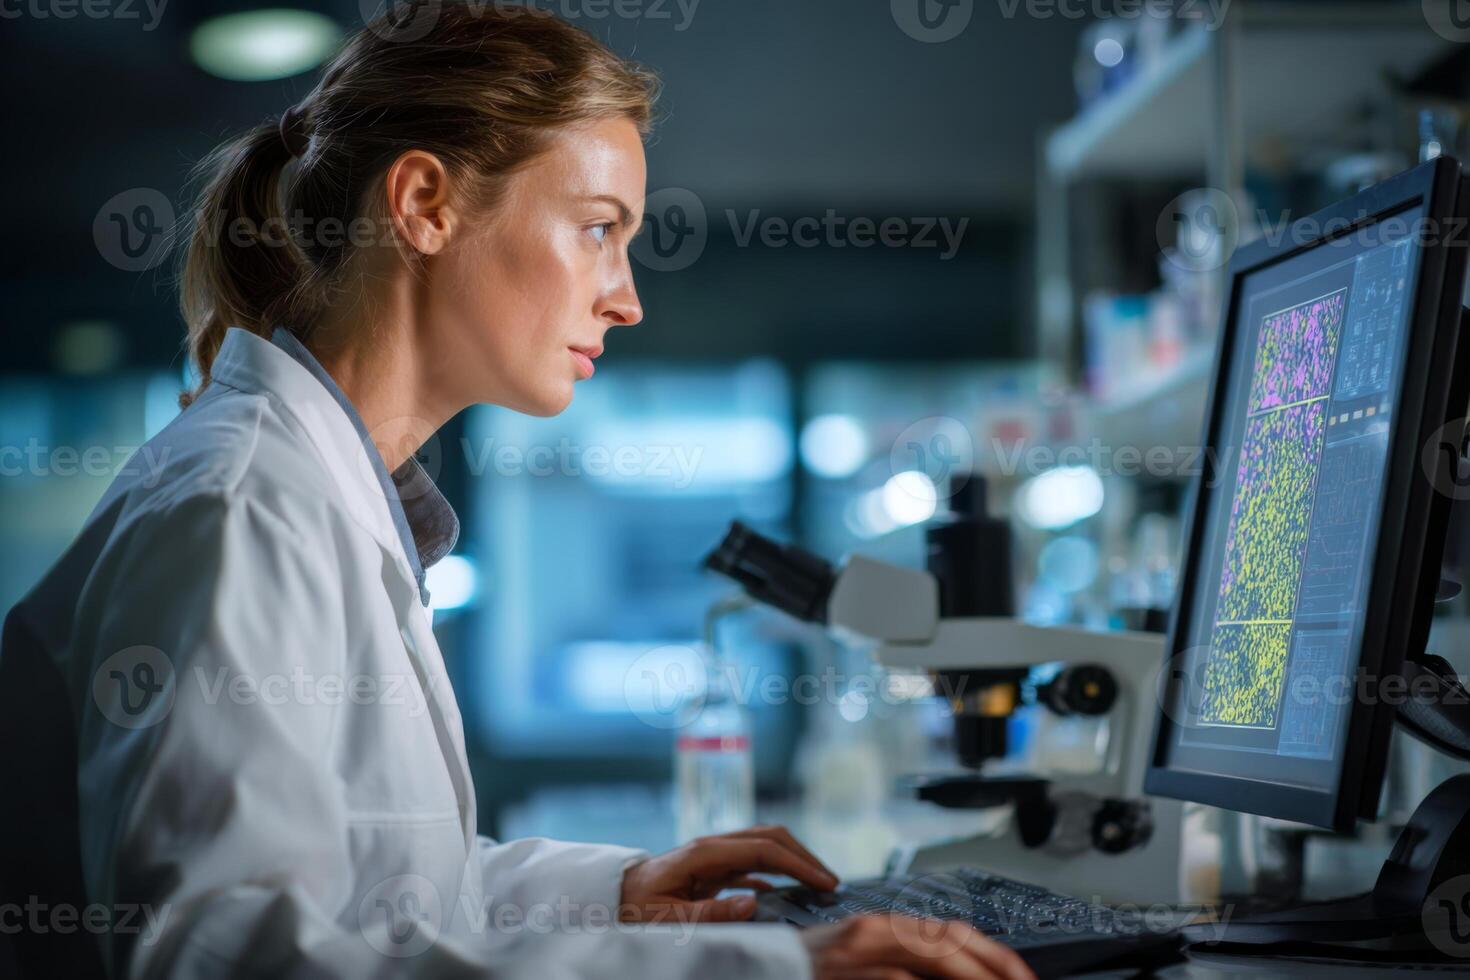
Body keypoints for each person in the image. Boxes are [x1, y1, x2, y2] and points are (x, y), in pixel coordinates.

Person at [0, 3, 1034, 978]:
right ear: (424, 205)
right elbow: (234, 952)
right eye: (597, 227)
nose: (626, 299)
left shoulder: (323, 495)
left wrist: (618, 892)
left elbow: (384, 901)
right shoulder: (243, 506)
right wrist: (765, 964)